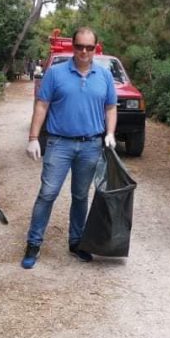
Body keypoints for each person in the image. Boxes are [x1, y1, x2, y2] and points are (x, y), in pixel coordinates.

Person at [22, 27, 117, 269]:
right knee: (48, 194)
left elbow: (110, 107)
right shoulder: (55, 73)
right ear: (72, 46)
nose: (84, 51)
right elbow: (42, 105)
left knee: (80, 195)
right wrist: (33, 137)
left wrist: (110, 133)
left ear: (96, 48)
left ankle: (77, 242)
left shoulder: (105, 76)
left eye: (89, 47)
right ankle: (33, 243)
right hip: (59, 144)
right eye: (79, 46)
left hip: (91, 145)